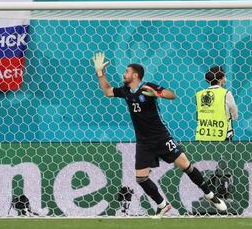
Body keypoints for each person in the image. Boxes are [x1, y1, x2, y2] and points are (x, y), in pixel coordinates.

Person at [92, 52, 227, 217]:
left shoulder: (148, 87)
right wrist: (100, 73)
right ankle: (162, 205)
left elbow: (172, 95)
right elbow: (107, 91)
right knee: (141, 178)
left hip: (162, 138)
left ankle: (210, 195)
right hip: (144, 143)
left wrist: (158, 94)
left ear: (135, 75)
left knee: (186, 166)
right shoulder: (126, 91)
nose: (124, 74)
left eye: (126, 71)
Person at [196, 66, 238, 141]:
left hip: (204, 134)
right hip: (223, 134)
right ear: (220, 79)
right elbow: (235, 114)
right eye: (224, 76)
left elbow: (198, 114)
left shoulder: (199, 94)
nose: (225, 79)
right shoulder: (226, 93)